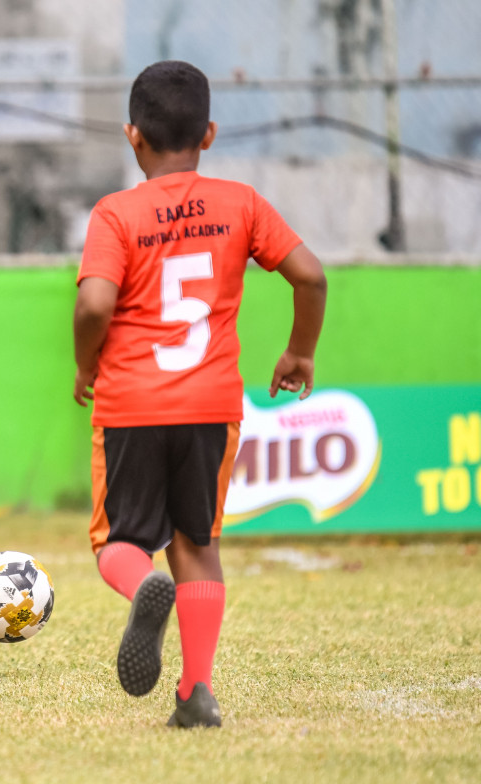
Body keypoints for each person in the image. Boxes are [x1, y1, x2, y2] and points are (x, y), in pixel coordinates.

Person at [72, 60, 327, 728]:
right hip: (212, 404)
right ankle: (197, 692)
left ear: (133, 135)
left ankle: (140, 587)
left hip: (132, 401)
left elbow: (95, 303)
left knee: (119, 543)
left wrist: (85, 365)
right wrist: (300, 351)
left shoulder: (116, 213)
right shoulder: (241, 203)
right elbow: (311, 275)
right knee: (199, 543)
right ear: (208, 133)